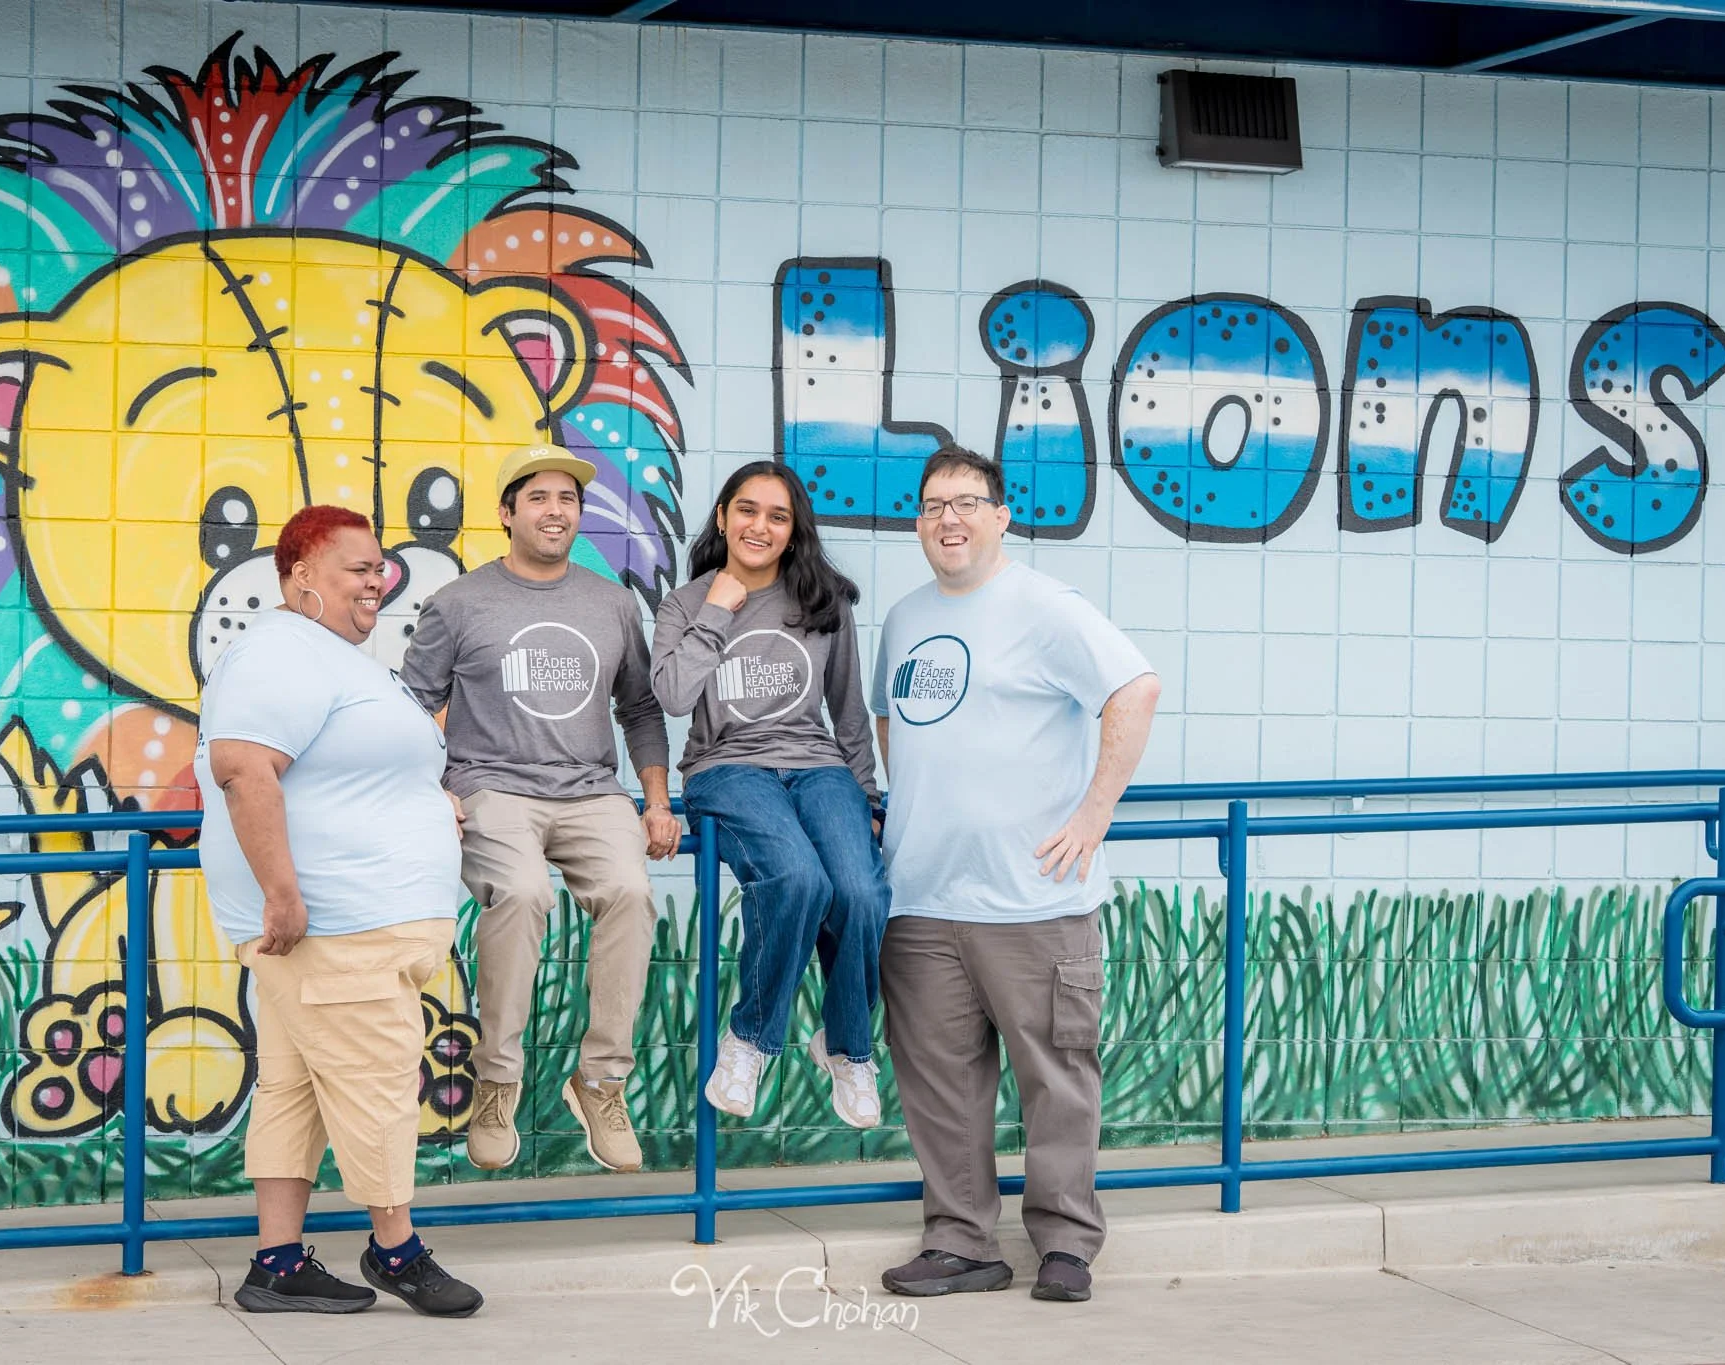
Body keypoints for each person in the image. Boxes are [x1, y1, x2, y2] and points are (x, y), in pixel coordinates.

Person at [871, 447, 1162, 1305]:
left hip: (1034, 897)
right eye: (932, 505)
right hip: (922, 897)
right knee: (940, 1085)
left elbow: (1135, 689)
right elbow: (892, 723)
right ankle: (962, 1241)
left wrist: (1093, 813)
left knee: (1057, 1076)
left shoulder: (1045, 606)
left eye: (966, 502)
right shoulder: (903, 616)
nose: (948, 519)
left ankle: (1067, 1244)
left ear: (1001, 515)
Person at [197, 504, 481, 1318]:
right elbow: (245, 769)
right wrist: (283, 893)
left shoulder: (332, 657)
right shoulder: (277, 651)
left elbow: (351, 769)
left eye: (380, 565)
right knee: (379, 1084)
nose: (377, 579)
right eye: (357, 567)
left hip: (346, 926)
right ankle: (397, 1249)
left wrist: (428, 804)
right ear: (299, 577)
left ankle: (277, 1263)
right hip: (333, 925)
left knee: (292, 1089)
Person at [399, 444, 680, 1175]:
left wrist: (655, 800)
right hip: (492, 788)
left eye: (568, 499)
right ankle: (497, 1080)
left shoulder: (611, 602)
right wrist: (431, 791)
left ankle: (600, 1080)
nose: (557, 511)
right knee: (523, 894)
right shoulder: (458, 603)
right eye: (541, 498)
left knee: (630, 892)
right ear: (507, 512)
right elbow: (406, 710)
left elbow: (641, 707)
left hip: (591, 791)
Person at [651, 461, 889, 1128]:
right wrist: (719, 608)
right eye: (747, 510)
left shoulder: (823, 600)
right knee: (795, 877)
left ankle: (847, 1046)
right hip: (726, 769)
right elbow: (671, 695)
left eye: (777, 516)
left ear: (793, 531)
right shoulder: (685, 602)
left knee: (862, 889)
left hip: (818, 768)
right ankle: (750, 1039)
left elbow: (845, 712)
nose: (760, 525)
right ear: (723, 516)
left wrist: (865, 798)